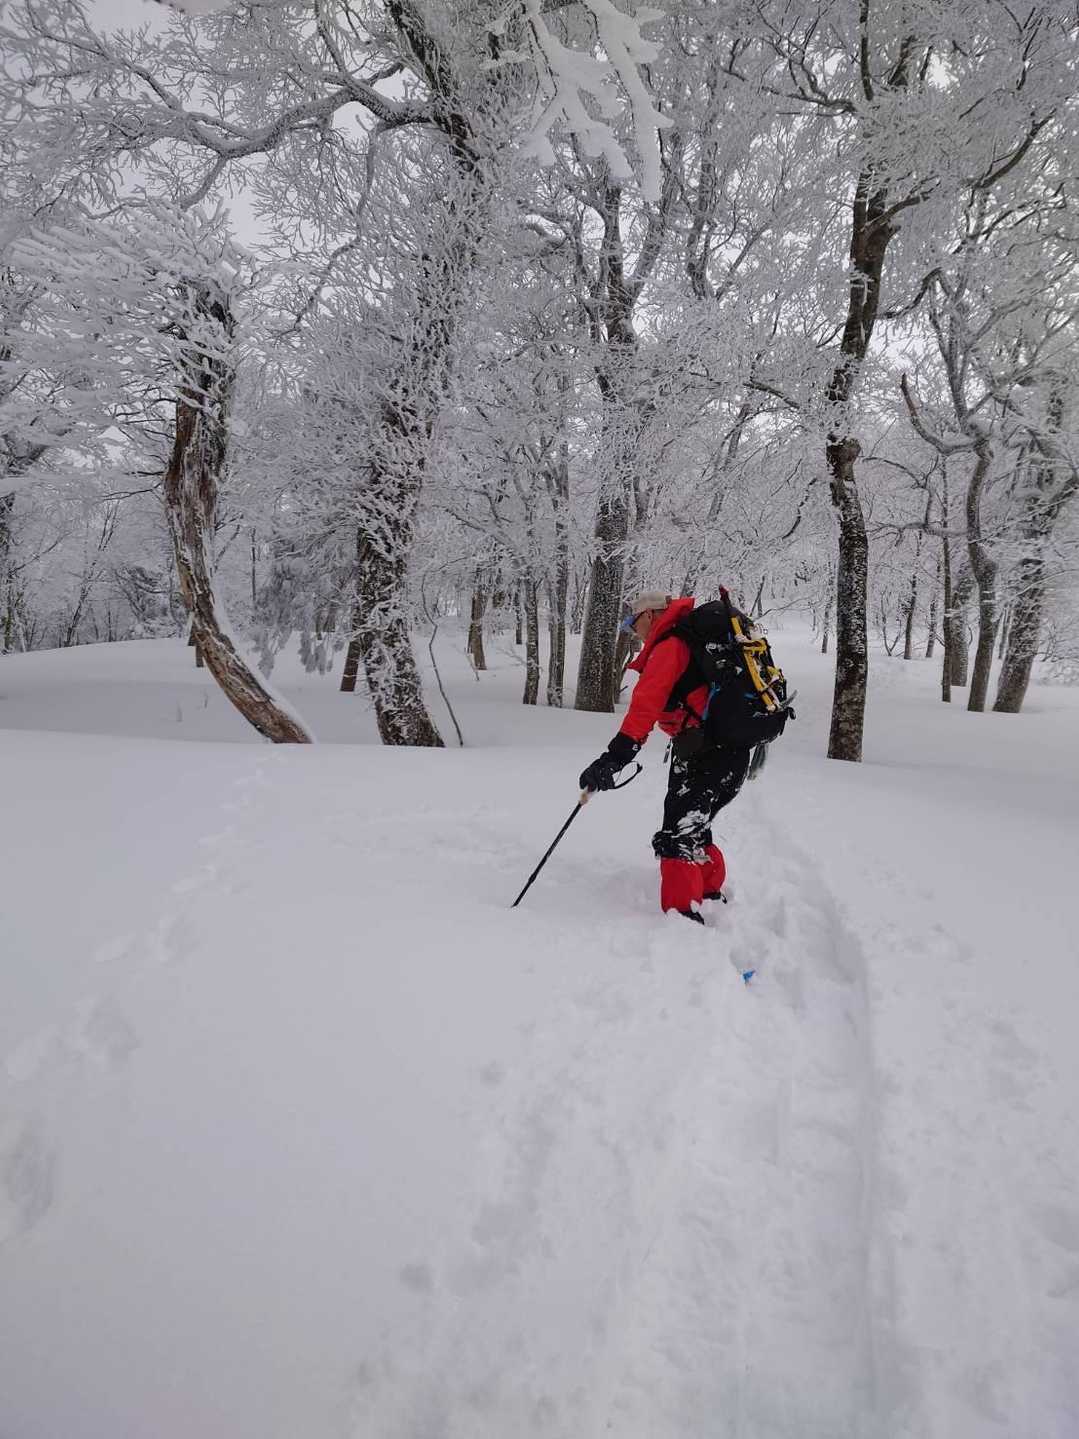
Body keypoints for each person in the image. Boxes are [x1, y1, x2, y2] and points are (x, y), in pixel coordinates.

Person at [578, 591, 752, 922]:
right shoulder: (691, 642)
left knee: (679, 830)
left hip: (704, 751)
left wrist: (613, 759)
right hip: (730, 753)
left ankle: (682, 914)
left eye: (633, 623)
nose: (633, 631)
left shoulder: (670, 647)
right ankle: (708, 891)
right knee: (696, 822)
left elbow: (644, 708)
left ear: (649, 615)